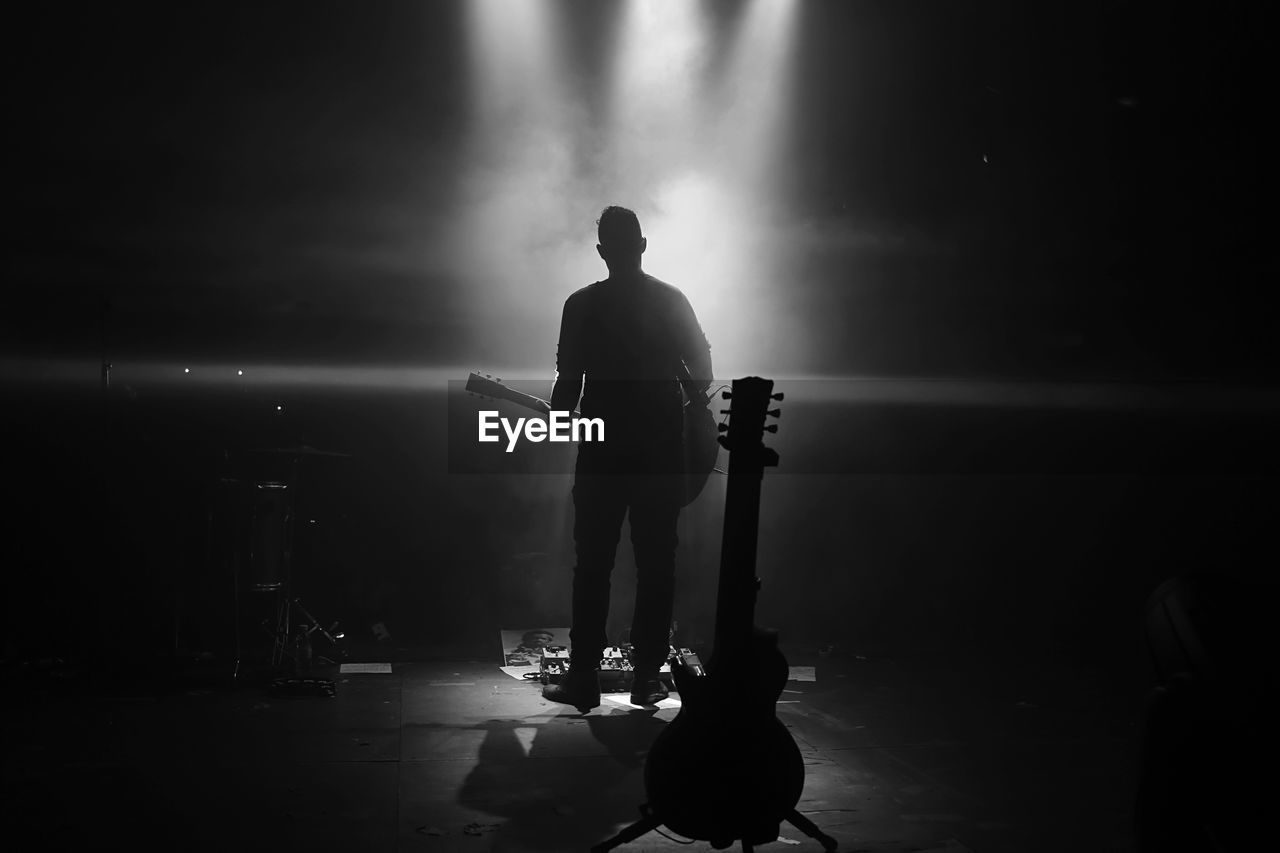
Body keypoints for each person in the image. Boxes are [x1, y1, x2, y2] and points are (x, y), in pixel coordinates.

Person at [542, 205, 712, 710]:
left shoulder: (581, 304)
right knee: (657, 563)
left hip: (602, 453)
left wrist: (557, 415)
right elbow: (701, 375)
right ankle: (645, 678)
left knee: (592, 564)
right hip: (660, 452)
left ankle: (584, 677)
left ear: (602, 251)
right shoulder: (671, 299)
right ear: (643, 245)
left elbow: (567, 387)